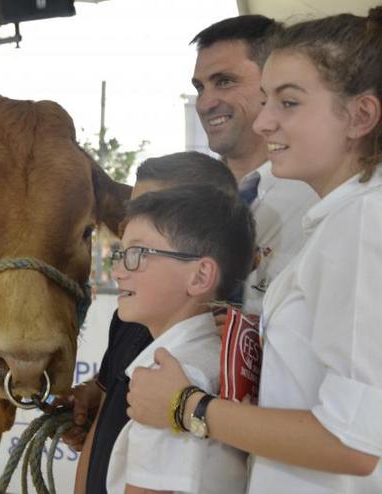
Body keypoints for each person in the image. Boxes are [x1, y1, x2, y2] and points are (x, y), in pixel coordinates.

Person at [127, 8, 382, 493]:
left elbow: (354, 442)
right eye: (265, 101)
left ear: (360, 116)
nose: (264, 122)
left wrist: (186, 407)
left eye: (288, 103)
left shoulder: (363, 220)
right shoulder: (343, 219)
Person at [68, 151, 239, 494]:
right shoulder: (135, 320)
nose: (118, 270)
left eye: (141, 252)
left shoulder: (175, 379)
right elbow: (105, 416)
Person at [105, 184, 255, 493]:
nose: (118, 271)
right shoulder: (212, 357)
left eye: (137, 254)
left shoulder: (169, 383)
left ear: (199, 276)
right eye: (120, 254)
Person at [190, 14, 318, 316]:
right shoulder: (191, 202)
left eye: (224, 82)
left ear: (273, 81)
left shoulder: (320, 196)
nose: (205, 102)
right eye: (200, 87)